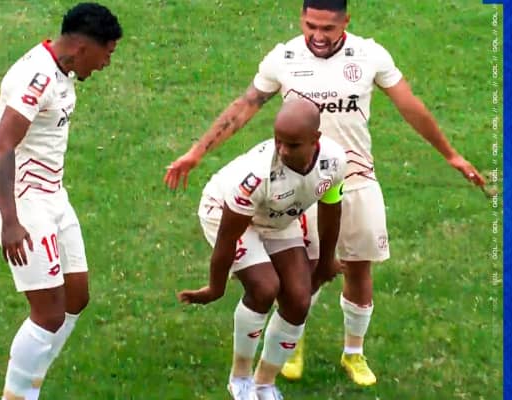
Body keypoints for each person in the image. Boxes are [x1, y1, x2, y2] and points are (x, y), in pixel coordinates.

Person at [164, 0, 486, 387]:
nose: (317, 36)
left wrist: (450, 154)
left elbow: (410, 105)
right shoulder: (283, 58)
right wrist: (197, 152)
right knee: (305, 271)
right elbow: (245, 106)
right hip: (299, 188)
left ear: (345, 22)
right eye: (310, 26)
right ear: (302, 19)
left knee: (358, 266)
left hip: (355, 177)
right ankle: (291, 344)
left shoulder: (369, 55)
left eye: (327, 28)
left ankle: (354, 353)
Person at [0, 4, 121, 400]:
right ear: (82, 48)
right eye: (107, 54)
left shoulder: (62, 68)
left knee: (77, 296)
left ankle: (30, 385)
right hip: (24, 201)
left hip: (53, 196)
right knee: (48, 314)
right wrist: (11, 221)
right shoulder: (37, 77)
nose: (107, 64)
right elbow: (2, 146)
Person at [176, 99, 346, 400]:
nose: (283, 150)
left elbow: (331, 211)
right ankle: (240, 378)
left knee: (299, 300)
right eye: (278, 141)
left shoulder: (333, 162)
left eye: (293, 145)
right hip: (224, 212)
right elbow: (228, 237)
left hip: (277, 219)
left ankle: (264, 383)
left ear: (315, 140)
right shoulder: (257, 175)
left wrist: (325, 262)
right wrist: (216, 287)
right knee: (264, 287)